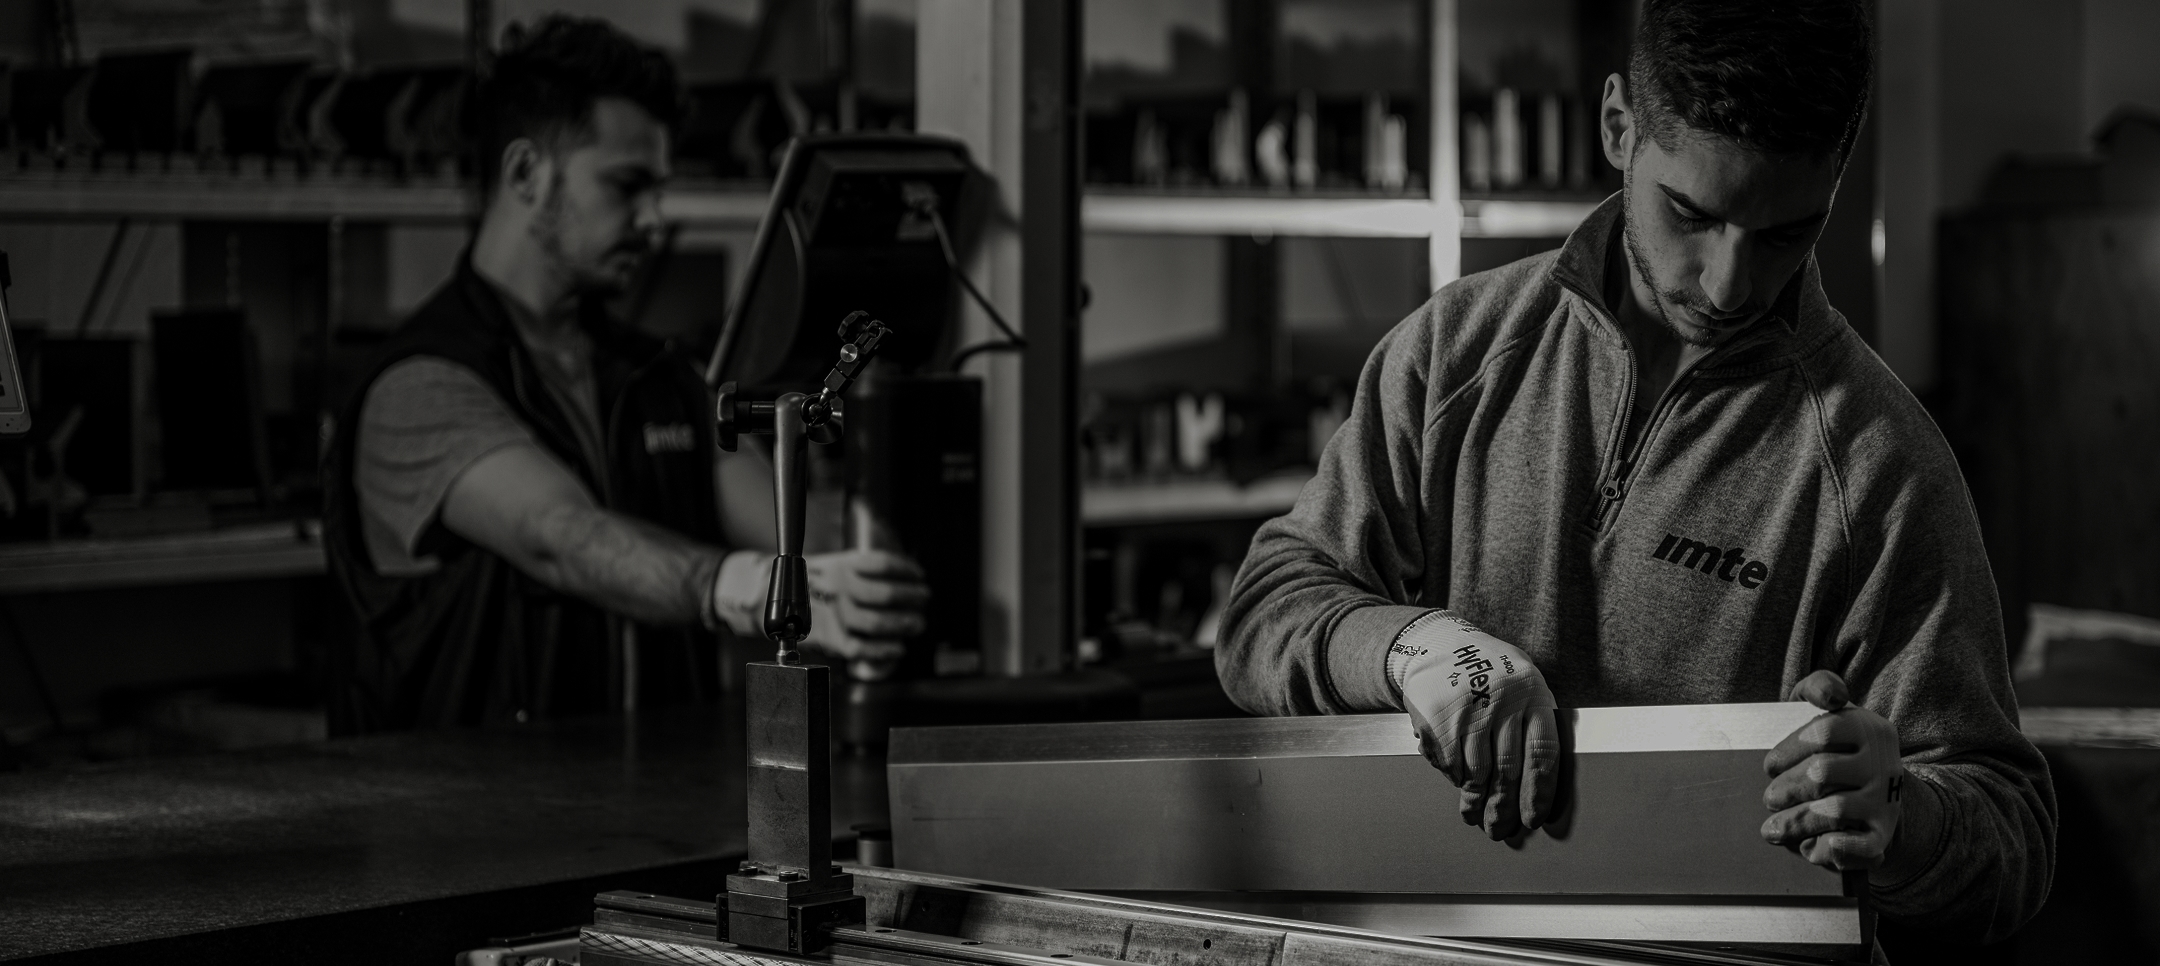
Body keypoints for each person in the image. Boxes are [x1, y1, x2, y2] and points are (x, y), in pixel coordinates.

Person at [1217, 0, 2054, 943]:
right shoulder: (1457, 354)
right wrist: (1416, 647)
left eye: (1786, 233)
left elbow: (2011, 830)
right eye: (1693, 213)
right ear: (1620, 126)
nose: (1730, 283)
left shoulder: (1880, 463)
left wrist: (1905, 815)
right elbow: (1263, 615)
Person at [323, 17, 927, 732]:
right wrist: (745, 586)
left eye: (658, 188)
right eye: (626, 185)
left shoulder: (661, 376)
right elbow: (558, 535)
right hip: (474, 829)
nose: (653, 218)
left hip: (655, 820)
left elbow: (787, 531)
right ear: (526, 174)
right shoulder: (418, 385)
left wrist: (854, 557)